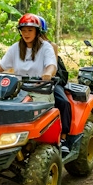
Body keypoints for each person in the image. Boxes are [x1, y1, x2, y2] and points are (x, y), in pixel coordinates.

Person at [0, 14, 57, 102]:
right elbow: (2, 66)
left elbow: (51, 65)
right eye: (23, 30)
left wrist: (48, 73)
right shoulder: (15, 47)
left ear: (37, 31)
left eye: (30, 30)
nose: (26, 33)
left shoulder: (46, 47)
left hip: (40, 91)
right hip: (18, 90)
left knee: (32, 111)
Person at [37, 15, 72, 153]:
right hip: (26, 82)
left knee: (63, 102)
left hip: (49, 81)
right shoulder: (22, 47)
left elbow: (52, 66)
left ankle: (63, 138)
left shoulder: (51, 46)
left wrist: (47, 74)